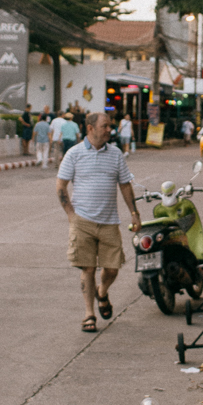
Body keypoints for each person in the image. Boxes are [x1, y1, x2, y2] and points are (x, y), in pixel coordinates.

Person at [57, 111, 141, 333]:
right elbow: (61, 186)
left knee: (112, 268)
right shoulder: (74, 154)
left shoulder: (115, 154)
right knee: (88, 268)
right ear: (90, 128)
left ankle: (102, 292)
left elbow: (125, 185)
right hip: (82, 221)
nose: (109, 130)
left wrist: (134, 213)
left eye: (110, 126)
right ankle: (89, 313)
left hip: (109, 221)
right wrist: (71, 215)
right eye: (105, 126)